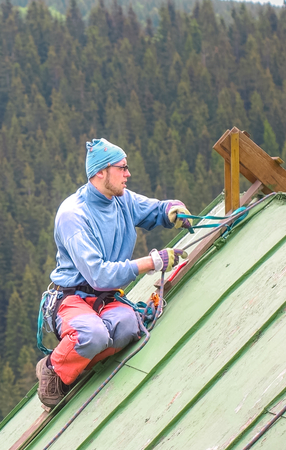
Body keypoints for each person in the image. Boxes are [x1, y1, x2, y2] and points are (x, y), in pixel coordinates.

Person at [36, 138, 191, 407]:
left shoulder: (121, 200)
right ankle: (53, 368)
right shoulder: (73, 216)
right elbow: (99, 275)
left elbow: (153, 210)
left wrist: (171, 210)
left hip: (105, 299)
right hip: (73, 300)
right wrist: (153, 262)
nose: (128, 173)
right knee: (93, 335)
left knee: (129, 326)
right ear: (100, 172)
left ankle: (78, 361)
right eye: (122, 167)